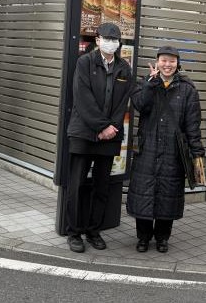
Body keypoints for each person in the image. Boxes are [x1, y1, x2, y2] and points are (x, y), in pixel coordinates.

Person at [127, 46, 205, 253]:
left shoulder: (188, 89)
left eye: (171, 61)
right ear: (157, 61)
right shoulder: (146, 83)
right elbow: (139, 105)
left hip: (174, 149)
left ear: (177, 64)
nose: (167, 65)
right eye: (163, 60)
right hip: (147, 147)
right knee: (144, 193)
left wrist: (197, 153)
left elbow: (192, 124)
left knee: (168, 195)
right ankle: (143, 237)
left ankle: (162, 237)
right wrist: (150, 85)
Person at [65, 22, 133, 253]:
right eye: (107, 38)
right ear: (97, 40)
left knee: (102, 187)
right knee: (77, 185)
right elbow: (82, 98)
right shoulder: (85, 62)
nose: (111, 42)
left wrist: (111, 127)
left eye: (115, 39)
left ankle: (94, 231)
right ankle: (74, 232)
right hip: (84, 132)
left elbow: (123, 101)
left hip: (110, 135)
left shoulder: (124, 67)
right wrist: (102, 126)